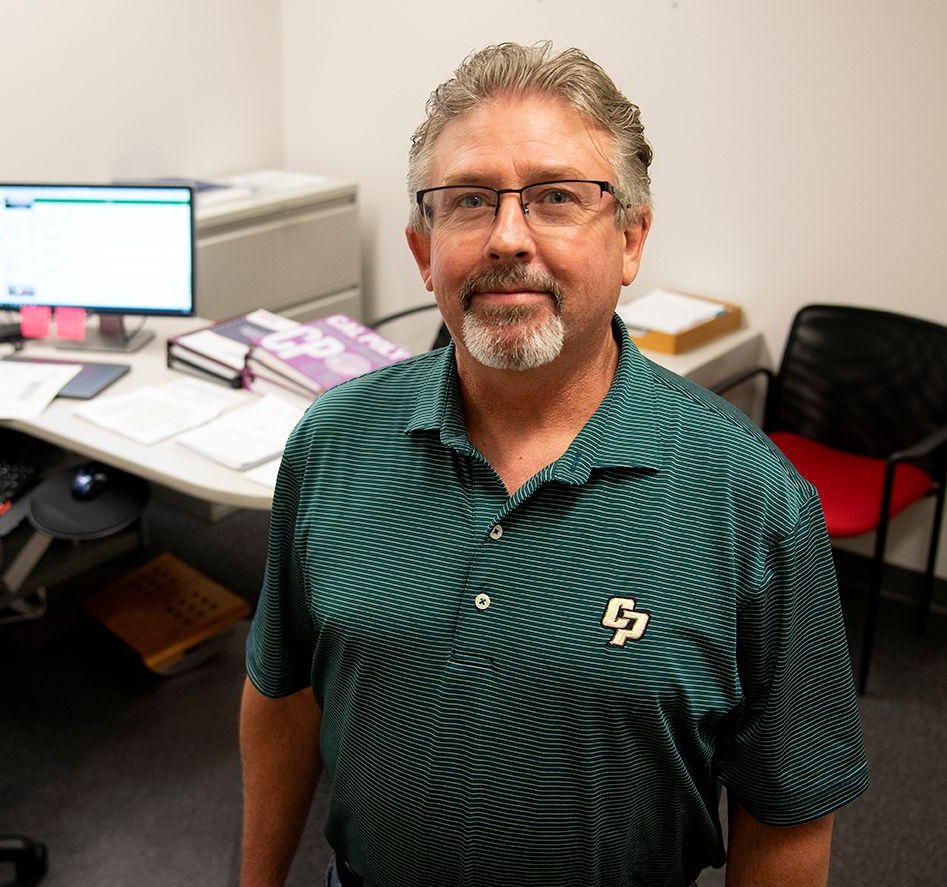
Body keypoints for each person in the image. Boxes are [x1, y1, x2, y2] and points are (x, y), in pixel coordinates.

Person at [239, 42, 868, 887]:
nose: (507, 237)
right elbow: (281, 692)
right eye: (469, 201)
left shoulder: (753, 502)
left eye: (556, 197)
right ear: (423, 251)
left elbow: (786, 811)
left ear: (630, 239)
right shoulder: (331, 441)